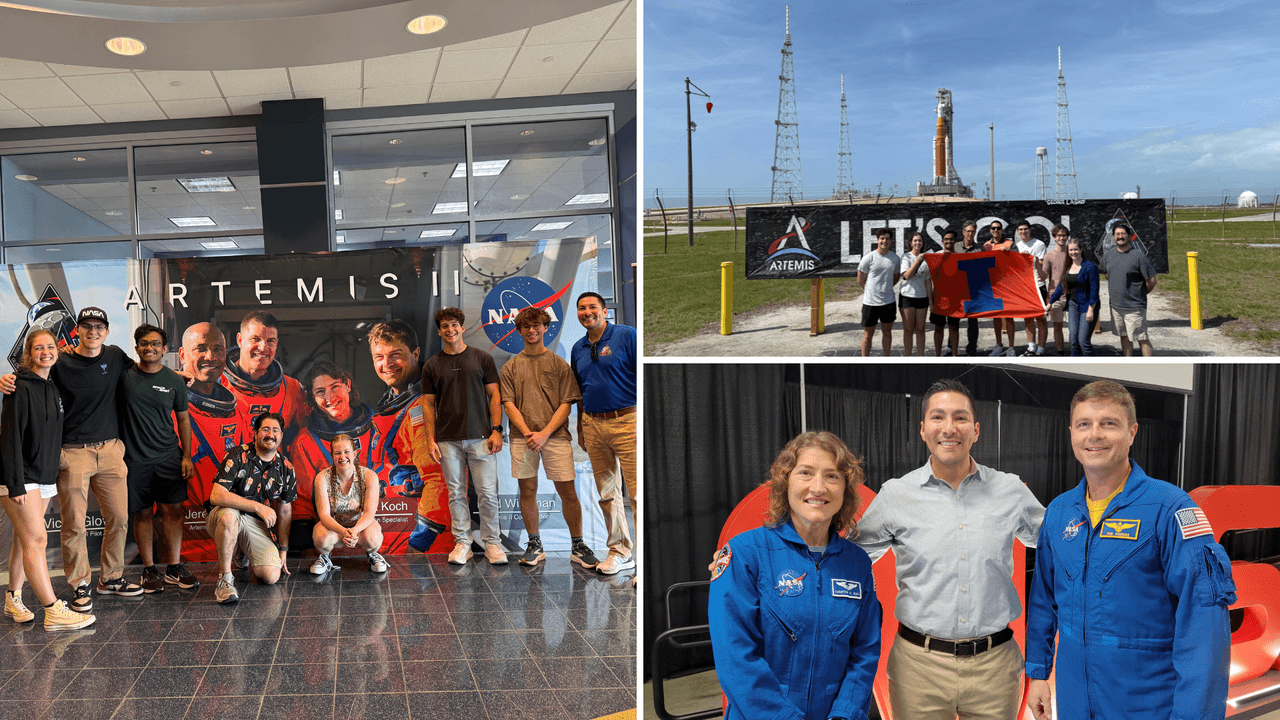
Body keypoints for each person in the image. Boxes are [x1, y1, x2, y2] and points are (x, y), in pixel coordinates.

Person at [1025, 381, 1235, 720]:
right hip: (1075, 701)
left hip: (1146, 704)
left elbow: (1204, 626)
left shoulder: (1170, 509)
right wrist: (1037, 672)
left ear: (1132, 432)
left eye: (1109, 423)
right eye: (1084, 424)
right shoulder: (1059, 513)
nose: (1095, 435)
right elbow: (1044, 601)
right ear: (1071, 433)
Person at [855, 378, 1045, 719]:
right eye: (938, 417)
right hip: (918, 667)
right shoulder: (896, 495)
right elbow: (850, 561)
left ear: (975, 430)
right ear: (923, 429)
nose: (949, 428)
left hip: (996, 666)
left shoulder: (1010, 490)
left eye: (959, 417)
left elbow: (1058, 546)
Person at [708, 431, 881, 720]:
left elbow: (865, 651)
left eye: (832, 476)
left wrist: (844, 714)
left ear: (846, 489)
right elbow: (735, 657)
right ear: (784, 483)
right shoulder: (745, 554)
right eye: (805, 473)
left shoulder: (857, 563)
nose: (818, 487)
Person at [1, 307, 142, 611]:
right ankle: (80, 585)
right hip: (73, 453)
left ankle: (111, 578)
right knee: (74, 524)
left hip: (110, 451)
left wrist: (176, 376)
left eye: (99, 327)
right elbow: (31, 377)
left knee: (119, 518)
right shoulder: (60, 360)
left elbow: (142, 372)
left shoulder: (115, 355)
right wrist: (7, 381)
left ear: (106, 331)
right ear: (76, 330)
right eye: (86, 326)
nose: (93, 332)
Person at [1, 329, 96, 629]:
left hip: (42, 477)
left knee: (23, 538)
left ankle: (13, 598)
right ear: (29, 353)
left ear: (58, 350)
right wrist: (15, 483)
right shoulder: (19, 387)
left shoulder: (51, 386)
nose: (45, 352)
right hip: (20, 477)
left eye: (50, 346)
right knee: (37, 538)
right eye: (38, 347)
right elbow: (10, 439)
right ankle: (52, 609)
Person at [500, 306, 600, 568]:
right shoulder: (510, 367)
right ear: (519, 330)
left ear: (545, 328)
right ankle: (535, 544)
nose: (531, 331)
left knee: (567, 490)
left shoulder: (559, 364)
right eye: (526, 327)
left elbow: (567, 403)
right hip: (524, 439)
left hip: (554, 437)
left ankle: (577, 544)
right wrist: (528, 433)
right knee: (527, 489)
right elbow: (508, 404)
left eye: (537, 326)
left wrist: (544, 434)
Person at [421, 308, 505, 566]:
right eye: (445, 326)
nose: (450, 330)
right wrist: (430, 440)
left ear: (462, 327)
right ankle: (463, 543)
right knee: (456, 493)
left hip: (481, 436)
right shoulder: (432, 365)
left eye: (454, 325)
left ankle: (493, 544)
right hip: (447, 440)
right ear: (439, 331)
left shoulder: (482, 358)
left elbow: (495, 396)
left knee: (488, 493)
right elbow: (427, 405)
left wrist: (497, 430)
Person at [120, 324, 198, 592]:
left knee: (173, 512)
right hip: (134, 459)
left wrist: (186, 456)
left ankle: (174, 569)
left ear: (165, 350)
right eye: (144, 343)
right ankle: (149, 570)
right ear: (137, 347)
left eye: (155, 343)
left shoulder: (175, 381)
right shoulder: (124, 377)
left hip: (169, 456)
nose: (149, 347)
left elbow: (184, 420)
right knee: (142, 514)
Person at [367, 320, 450, 553]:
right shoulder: (394, 404)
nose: (386, 364)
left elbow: (438, 478)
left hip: (425, 541)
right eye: (379, 356)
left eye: (396, 355)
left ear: (415, 353)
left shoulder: (424, 405)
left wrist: (419, 543)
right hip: (398, 525)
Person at [572, 292, 638, 577]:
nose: (587, 312)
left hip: (627, 421)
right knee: (607, 494)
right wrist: (580, 428)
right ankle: (620, 551)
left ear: (604, 310)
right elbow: (580, 391)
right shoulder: (577, 348)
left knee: (636, 494)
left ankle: (644, 561)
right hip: (592, 424)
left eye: (592, 307)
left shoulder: (626, 336)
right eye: (582, 308)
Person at [207, 412, 296, 604]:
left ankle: (240, 551)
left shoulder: (286, 467)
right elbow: (216, 495)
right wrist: (257, 507)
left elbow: (285, 511)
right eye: (265, 429)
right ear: (255, 433)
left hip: (254, 523)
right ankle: (225, 579)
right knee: (230, 517)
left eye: (275, 430)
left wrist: (283, 549)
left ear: (281, 435)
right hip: (224, 516)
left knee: (271, 575)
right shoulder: (238, 454)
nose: (270, 434)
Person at [178, 322, 248, 562]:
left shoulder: (237, 411)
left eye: (218, 349)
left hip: (232, 537)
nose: (211, 356)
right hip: (186, 546)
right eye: (200, 348)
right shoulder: (166, 407)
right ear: (182, 355)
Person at [288, 361, 379, 521]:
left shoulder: (378, 430)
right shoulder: (305, 442)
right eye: (320, 392)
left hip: (380, 522)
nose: (329, 397)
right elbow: (302, 502)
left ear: (348, 385)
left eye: (335, 387)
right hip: (332, 528)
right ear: (313, 398)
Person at [221, 310, 308, 439]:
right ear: (240, 340)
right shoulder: (216, 385)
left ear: (276, 344)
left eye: (270, 341)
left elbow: (307, 437)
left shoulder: (292, 389)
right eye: (255, 339)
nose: (263, 347)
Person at [309, 434, 387, 574]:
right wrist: (344, 532)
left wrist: (354, 531)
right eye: (337, 453)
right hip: (334, 527)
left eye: (346, 452)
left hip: (361, 527)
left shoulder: (369, 476)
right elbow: (324, 515)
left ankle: (372, 554)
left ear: (355, 453)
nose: (342, 457)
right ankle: (325, 557)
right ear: (332, 455)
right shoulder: (322, 478)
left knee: (373, 539)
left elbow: (369, 513)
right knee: (321, 538)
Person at [1098, 223, 1157, 357]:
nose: (1120, 237)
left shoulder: (1138, 256)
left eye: (1123, 234)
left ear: (1129, 236)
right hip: (1116, 306)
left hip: (1134, 307)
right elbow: (1107, 274)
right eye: (1117, 234)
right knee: (1123, 336)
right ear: (1113, 237)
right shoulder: (1108, 255)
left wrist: (1140, 293)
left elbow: (1152, 281)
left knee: (1141, 338)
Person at [1048, 238, 1100, 356]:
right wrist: (1050, 302)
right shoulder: (1068, 267)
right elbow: (1061, 287)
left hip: (1087, 306)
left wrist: (1091, 309)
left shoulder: (1089, 267)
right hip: (1073, 305)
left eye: (1075, 249)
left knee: (1083, 342)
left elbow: (1094, 291)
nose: (1073, 252)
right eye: (1070, 250)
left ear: (1081, 250)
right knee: (1073, 341)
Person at [858, 227, 901, 357]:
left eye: (887, 239)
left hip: (888, 302)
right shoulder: (869, 258)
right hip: (870, 303)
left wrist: (884, 288)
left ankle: (886, 358)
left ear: (890, 241)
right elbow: (860, 279)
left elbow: (895, 278)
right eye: (882, 238)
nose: (884, 241)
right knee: (867, 334)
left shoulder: (895, 258)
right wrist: (871, 292)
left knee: (887, 333)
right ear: (877, 240)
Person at [1012, 219, 1049, 356]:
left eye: (1025, 229)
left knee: (1040, 318)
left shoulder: (1039, 244)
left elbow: (1041, 263)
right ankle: (1031, 347)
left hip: (1038, 285)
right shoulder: (1017, 246)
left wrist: (1030, 257)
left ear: (1030, 230)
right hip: (1024, 287)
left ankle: (1041, 349)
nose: (1023, 232)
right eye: (1020, 229)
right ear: (1017, 231)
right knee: (1027, 318)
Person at [983, 221, 1018, 356]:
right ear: (990, 230)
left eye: (998, 228)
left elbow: (1017, 262)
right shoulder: (986, 246)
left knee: (1009, 317)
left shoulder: (1010, 244)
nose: (996, 230)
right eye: (993, 228)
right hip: (992, 286)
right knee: (996, 316)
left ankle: (1011, 347)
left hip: (1007, 285)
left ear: (1002, 230)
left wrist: (1009, 254)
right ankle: (999, 345)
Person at [927, 229, 961, 357]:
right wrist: (942, 259)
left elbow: (962, 278)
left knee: (953, 327)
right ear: (942, 241)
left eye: (951, 239)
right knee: (938, 327)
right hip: (939, 298)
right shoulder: (936, 256)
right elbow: (931, 275)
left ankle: (954, 355)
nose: (948, 241)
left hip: (954, 298)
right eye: (946, 239)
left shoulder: (959, 256)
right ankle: (937, 355)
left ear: (955, 241)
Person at [899, 231, 932, 357]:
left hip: (922, 298)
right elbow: (907, 276)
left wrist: (930, 301)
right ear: (910, 243)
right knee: (908, 330)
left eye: (920, 241)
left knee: (920, 329)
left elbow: (928, 281)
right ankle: (908, 357)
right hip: (907, 297)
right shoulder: (906, 257)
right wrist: (918, 260)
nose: (918, 243)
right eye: (915, 240)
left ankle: (920, 356)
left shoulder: (927, 259)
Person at [1041, 225, 1071, 355]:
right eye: (1058, 235)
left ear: (1067, 237)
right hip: (1056, 296)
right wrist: (1036, 263)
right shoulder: (1049, 256)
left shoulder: (1073, 252)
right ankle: (1061, 353)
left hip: (1072, 296)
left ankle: (1076, 351)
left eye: (1063, 235)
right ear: (1054, 237)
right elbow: (1042, 277)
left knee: (1074, 328)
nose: (1061, 238)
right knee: (1057, 327)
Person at [956, 220, 984, 356]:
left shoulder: (980, 249)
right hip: (958, 289)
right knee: (954, 319)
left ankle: (972, 347)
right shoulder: (955, 247)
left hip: (973, 289)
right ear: (963, 232)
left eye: (973, 231)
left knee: (973, 321)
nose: (970, 234)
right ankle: (951, 346)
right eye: (968, 231)